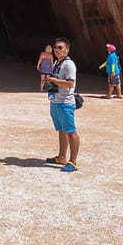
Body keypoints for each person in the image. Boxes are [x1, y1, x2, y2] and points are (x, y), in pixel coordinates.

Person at [44, 37, 80, 172]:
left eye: (60, 47)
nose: (57, 50)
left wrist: (52, 79)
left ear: (67, 49)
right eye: (55, 47)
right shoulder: (57, 63)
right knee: (61, 130)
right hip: (56, 101)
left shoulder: (69, 65)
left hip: (65, 103)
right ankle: (62, 157)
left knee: (71, 131)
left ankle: (73, 162)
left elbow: (70, 83)